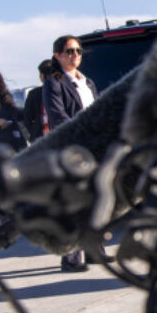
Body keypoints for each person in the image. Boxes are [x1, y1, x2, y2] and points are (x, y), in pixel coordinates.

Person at [43, 34, 107, 271]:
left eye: (78, 51)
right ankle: (70, 258)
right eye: (69, 51)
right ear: (57, 55)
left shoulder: (87, 81)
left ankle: (94, 251)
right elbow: (59, 117)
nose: (75, 55)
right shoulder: (54, 83)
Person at [22, 59, 57, 141]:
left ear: (42, 75)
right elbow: (27, 118)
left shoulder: (61, 91)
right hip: (41, 137)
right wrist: (35, 131)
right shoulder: (34, 94)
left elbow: (27, 119)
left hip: (48, 136)